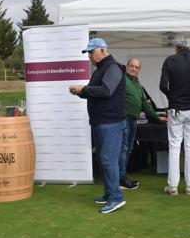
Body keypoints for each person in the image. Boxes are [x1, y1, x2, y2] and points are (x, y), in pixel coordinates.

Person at [69, 38, 127, 214]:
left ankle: (116, 198)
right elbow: (96, 92)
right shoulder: (101, 69)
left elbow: (106, 91)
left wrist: (83, 90)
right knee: (105, 160)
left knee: (109, 160)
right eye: (88, 53)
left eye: (91, 52)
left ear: (102, 50)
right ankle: (110, 194)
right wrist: (80, 93)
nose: (89, 57)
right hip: (102, 122)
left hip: (111, 123)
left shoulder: (113, 67)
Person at [159, 35, 190, 196]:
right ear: (189, 45)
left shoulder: (170, 61)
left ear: (176, 47)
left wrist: (172, 95)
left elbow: (162, 85)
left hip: (176, 109)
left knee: (174, 147)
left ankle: (172, 186)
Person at [120, 57, 167, 190]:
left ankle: (123, 178)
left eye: (137, 67)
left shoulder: (138, 85)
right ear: (127, 66)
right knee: (123, 150)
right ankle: (121, 180)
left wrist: (158, 118)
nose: (134, 69)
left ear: (139, 70)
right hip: (123, 120)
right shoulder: (121, 81)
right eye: (132, 66)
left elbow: (145, 106)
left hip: (132, 121)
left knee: (128, 150)